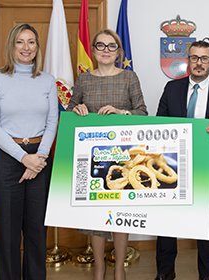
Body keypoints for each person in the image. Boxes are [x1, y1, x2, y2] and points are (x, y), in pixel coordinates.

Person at [155, 40, 209, 280]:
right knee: (167, 220)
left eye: (205, 58)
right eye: (195, 58)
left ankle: (206, 275)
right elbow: (159, 125)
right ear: (187, 61)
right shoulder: (171, 89)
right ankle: (164, 273)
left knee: (205, 222)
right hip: (172, 167)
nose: (199, 63)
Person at [67, 29, 148, 280]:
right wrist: (77, 109)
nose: (105, 50)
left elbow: (143, 113)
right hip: (92, 159)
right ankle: (100, 269)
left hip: (122, 158)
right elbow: (69, 114)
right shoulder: (83, 79)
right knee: (95, 216)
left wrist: (122, 113)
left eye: (111, 46)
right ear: (93, 50)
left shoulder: (129, 78)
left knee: (120, 214)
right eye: (100, 46)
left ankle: (120, 269)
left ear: (118, 52)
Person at [0, 23, 58, 279]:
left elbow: (52, 122)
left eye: (32, 42)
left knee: (37, 231)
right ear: (12, 45)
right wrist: (23, 157)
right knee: (7, 233)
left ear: (37, 47)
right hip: (6, 158)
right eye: (20, 42)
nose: (26, 47)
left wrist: (39, 158)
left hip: (40, 158)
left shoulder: (47, 80)